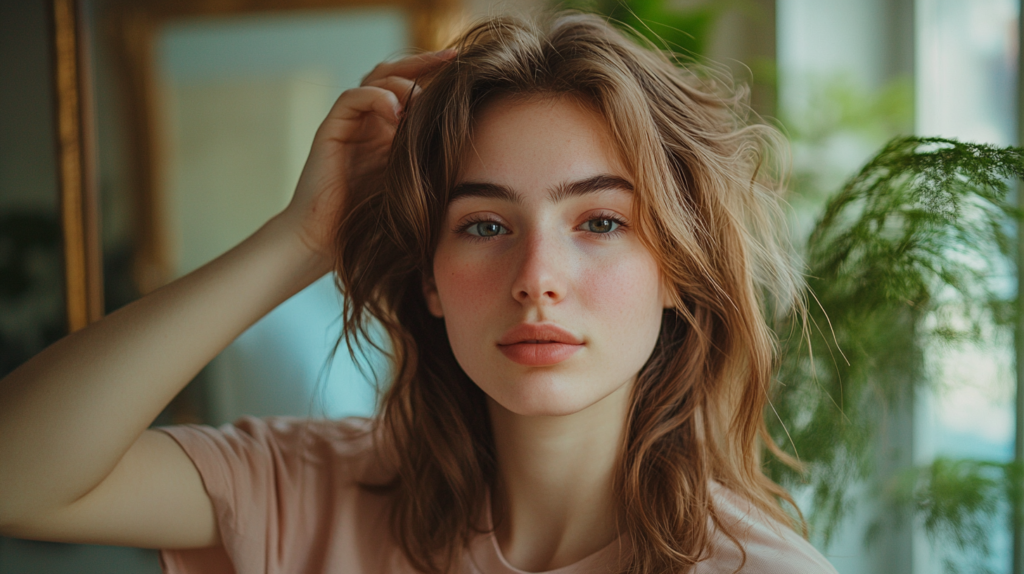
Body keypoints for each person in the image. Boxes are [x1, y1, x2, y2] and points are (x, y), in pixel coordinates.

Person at [0, 12, 837, 574]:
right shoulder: (317, 495)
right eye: (483, 225)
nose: (537, 278)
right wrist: (298, 242)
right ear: (430, 281)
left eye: (601, 223)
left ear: (677, 275)